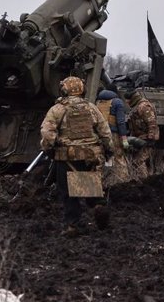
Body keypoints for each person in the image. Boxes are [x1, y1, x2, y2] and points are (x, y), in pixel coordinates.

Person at [40, 76, 115, 236]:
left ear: (64, 90)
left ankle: (72, 226)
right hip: (90, 156)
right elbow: (105, 132)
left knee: (68, 193)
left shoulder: (58, 109)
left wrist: (49, 149)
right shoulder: (91, 108)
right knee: (88, 188)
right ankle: (98, 206)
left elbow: (47, 133)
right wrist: (109, 150)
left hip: (67, 157)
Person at [96, 88, 130, 184]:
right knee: (118, 157)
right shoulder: (117, 102)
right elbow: (120, 122)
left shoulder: (99, 102)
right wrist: (124, 138)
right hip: (113, 135)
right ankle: (123, 182)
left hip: (101, 135)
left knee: (103, 158)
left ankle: (101, 182)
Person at [125, 90, 160, 178]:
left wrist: (150, 138)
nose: (126, 102)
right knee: (135, 161)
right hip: (139, 138)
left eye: (127, 99)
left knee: (139, 161)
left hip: (146, 139)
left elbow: (152, 123)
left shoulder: (144, 106)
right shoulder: (136, 106)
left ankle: (144, 180)